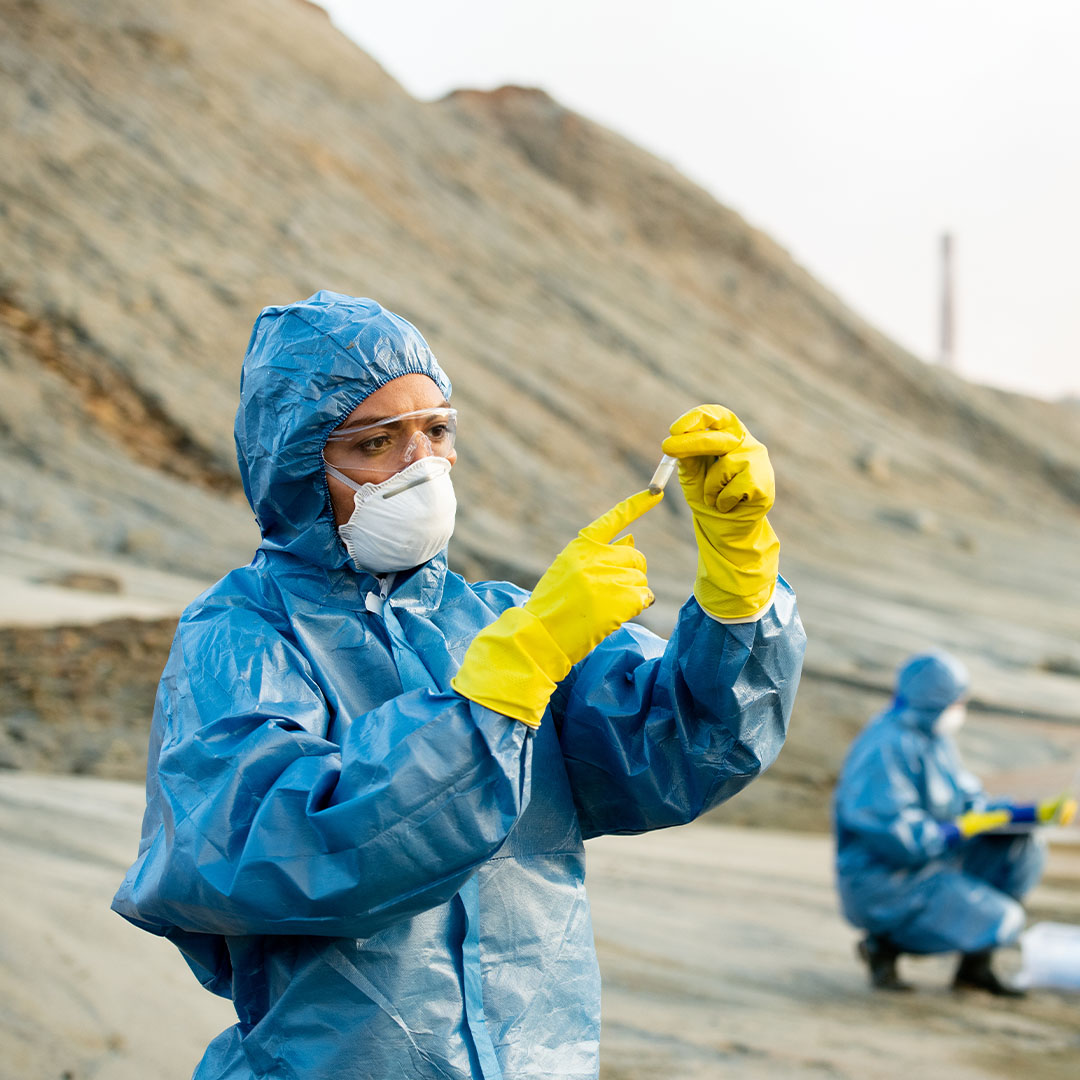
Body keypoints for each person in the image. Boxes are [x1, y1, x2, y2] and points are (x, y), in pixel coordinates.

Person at [112, 290, 806, 1079]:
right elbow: (284, 852)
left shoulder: (499, 621)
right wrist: (497, 692)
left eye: (437, 431)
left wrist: (738, 584)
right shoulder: (242, 636)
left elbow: (685, 752)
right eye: (377, 443)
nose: (422, 468)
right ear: (298, 466)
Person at [833, 649, 1074, 996]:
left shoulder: (934, 738)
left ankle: (975, 968)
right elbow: (894, 834)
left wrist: (1016, 815)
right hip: (887, 879)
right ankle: (884, 945)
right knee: (1002, 920)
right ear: (936, 700)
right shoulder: (884, 747)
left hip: (931, 859)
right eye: (956, 701)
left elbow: (964, 796)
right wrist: (954, 830)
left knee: (1024, 848)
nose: (960, 708)